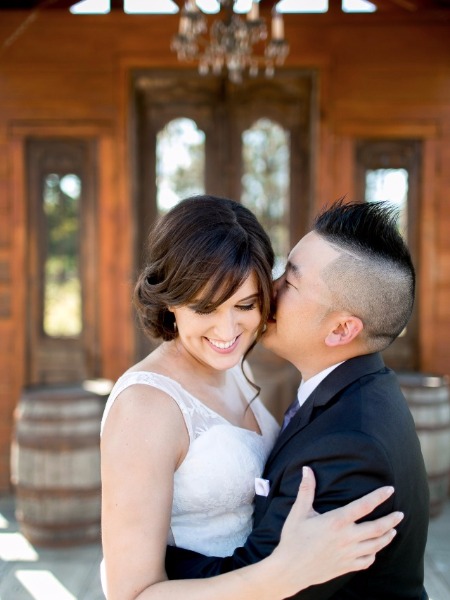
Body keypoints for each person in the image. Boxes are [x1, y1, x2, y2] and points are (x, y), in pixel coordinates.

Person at [100, 195, 403, 600]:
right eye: (205, 307)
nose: (228, 332)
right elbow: (131, 595)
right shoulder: (145, 407)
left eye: (245, 304)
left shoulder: (235, 366)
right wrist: (279, 577)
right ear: (171, 300)